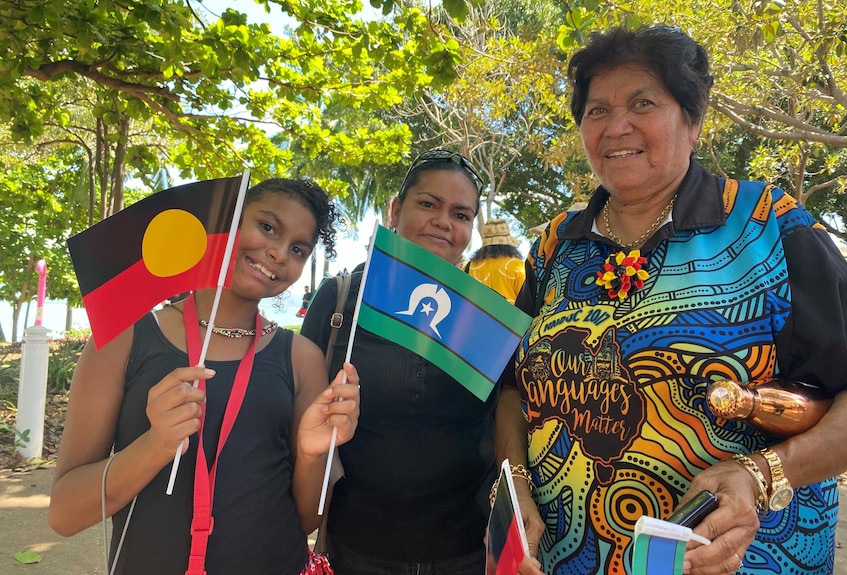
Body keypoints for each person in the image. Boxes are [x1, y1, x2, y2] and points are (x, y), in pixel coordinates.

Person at [495, 25, 847, 575]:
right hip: (567, 561)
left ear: (692, 121)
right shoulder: (554, 245)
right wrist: (517, 487)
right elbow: (512, 389)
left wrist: (761, 473)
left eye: (643, 102)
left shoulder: (767, 225)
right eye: (596, 110)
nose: (617, 126)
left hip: (741, 560)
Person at [48, 178, 361, 575]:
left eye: (298, 249)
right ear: (226, 223)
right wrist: (156, 445)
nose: (279, 253)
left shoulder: (302, 358)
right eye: (267, 227)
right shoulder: (123, 340)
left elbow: (306, 520)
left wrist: (310, 454)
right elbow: (64, 513)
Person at [301, 149, 491, 574]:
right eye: (428, 204)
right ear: (395, 208)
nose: (444, 221)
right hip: (359, 550)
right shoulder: (340, 298)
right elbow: (297, 424)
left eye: (461, 214)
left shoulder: (484, 317)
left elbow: (502, 424)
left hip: (467, 552)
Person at [465, 218, 525, 304]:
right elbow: (526, 301)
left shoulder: (470, 266)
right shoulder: (517, 266)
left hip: (474, 315)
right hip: (507, 316)